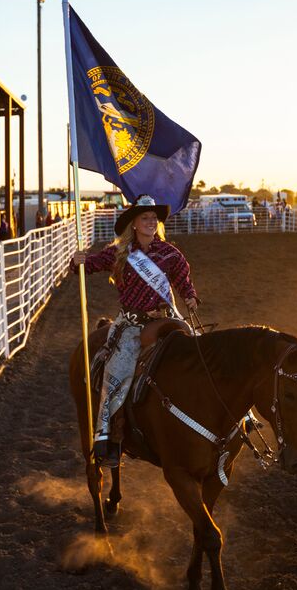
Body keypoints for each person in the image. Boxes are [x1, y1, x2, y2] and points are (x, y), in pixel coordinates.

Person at [69, 194, 199, 467]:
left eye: (154, 218)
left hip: (166, 319)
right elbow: (89, 265)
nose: (151, 222)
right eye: (145, 218)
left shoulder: (169, 253)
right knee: (118, 370)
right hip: (131, 324)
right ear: (135, 224)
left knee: (198, 351)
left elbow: (182, 279)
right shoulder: (119, 253)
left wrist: (190, 296)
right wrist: (78, 260)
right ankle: (109, 436)